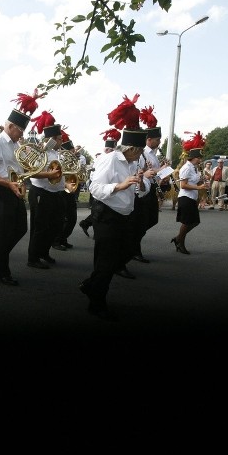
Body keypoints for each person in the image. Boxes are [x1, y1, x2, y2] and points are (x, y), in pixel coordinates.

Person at [79, 124, 149, 321]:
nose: (142, 154)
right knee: (105, 261)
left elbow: (142, 192)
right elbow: (95, 189)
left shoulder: (133, 162)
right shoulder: (109, 160)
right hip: (107, 216)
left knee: (128, 251)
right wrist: (120, 185)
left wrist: (141, 183)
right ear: (133, 149)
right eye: (141, 150)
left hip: (125, 215)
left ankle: (92, 285)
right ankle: (96, 303)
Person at [0, 89, 43, 286]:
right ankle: (0, 271)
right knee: (6, 231)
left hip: (13, 188)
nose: (22, 134)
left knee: (21, 229)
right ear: (11, 126)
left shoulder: (15, 144)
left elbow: (21, 168)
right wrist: (8, 183)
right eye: (20, 130)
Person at [26, 111, 64, 269]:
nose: (62, 140)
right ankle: (33, 258)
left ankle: (44, 252)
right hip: (41, 193)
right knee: (40, 227)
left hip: (55, 193)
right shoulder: (40, 153)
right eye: (60, 138)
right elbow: (32, 172)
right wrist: (49, 174)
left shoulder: (56, 153)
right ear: (53, 139)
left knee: (55, 225)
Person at [131, 107, 163, 264]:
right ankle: (134, 248)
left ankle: (134, 243)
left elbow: (149, 171)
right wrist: (153, 172)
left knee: (151, 220)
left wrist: (161, 173)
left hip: (149, 189)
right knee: (142, 222)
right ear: (149, 139)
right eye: (157, 139)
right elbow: (137, 172)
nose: (159, 142)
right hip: (142, 191)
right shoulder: (143, 153)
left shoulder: (152, 154)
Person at [78, 129, 119, 238]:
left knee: (101, 211)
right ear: (107, 150)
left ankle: (86, 223)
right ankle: (95, 231)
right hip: (99, 185)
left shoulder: (110, 158)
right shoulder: (101, 158)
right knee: (100, 210)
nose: (112, 152)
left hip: (108, 186)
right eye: (110, 150)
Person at [172, 132, 207, 255]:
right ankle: (180, 242)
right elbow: (184, 185)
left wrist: (201, 180)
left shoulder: (193, 168)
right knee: (188, 222)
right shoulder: (186, 168)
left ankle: (178, 239)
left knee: (194, 222)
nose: (200, 160)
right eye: (198, 158)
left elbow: (193, 180)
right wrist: (199, 187)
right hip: (186, 197)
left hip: (191, 197)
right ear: (193, 157)